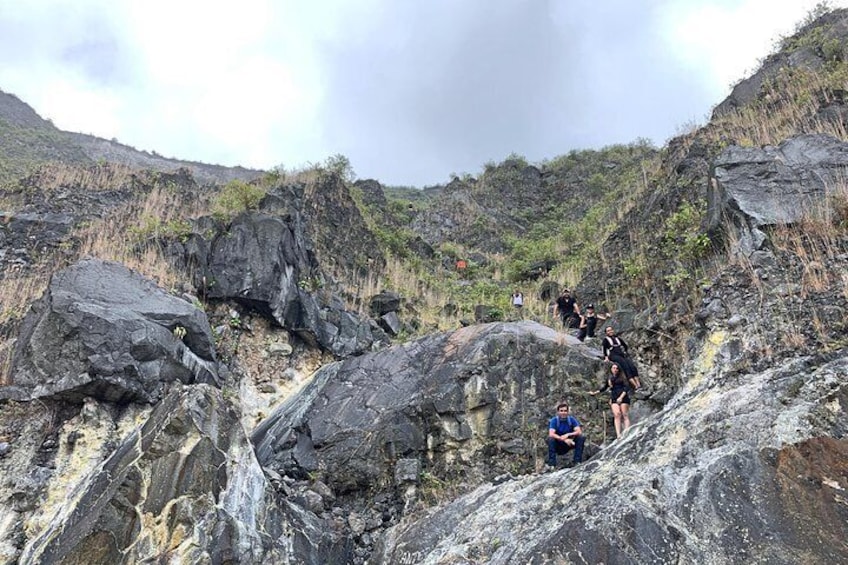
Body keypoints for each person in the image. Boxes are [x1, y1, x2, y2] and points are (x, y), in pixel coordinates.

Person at [590, 364, 631, 439]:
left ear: (619, 370)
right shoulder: (610, 379)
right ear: (611, 369)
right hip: (614, 397)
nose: (615, 369)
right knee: (617, 414)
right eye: (613, 368)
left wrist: (621, 397)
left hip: (623, 397)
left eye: (616, 368)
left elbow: (626, 387)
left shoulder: (622, 377)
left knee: (624, 414)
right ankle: (618, 434)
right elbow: (604, 388)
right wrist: (594, 392)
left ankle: (626, 431)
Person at [546, 402, 585, 468]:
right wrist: (564, 439)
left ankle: (577, 462)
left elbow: (579, 431)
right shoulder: (554, 420)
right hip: (559, 444)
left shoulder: (571, 420)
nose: (563, 412)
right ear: (558, 412)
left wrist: (568, 435)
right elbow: (551, 434)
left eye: (565, 411)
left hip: (570, 443)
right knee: (550, 439)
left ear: (567, 412)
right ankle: (552, 465)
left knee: (581, 437)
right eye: (561, 411)